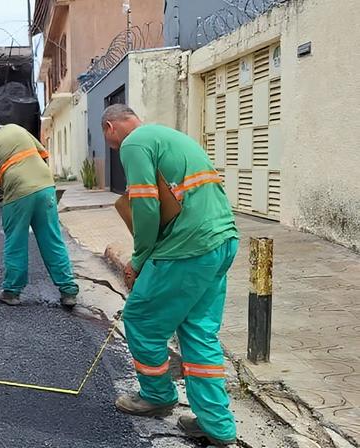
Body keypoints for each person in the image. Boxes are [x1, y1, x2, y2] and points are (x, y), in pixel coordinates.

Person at [101, 104, 240, 447]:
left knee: (141, 319)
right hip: (222, 241)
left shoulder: (134, 143)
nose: (114, 148)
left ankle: (157, 395)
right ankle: (217, 426)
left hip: (187, 248)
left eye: (109, 141)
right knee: (198, 331)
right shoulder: (169, 136)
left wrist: (139, 259)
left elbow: (146, 207)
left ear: (110, 127)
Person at [0, 115, 79, 307]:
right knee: (52, 239)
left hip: (19, 192)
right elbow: (44, 154)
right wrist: (32, 181)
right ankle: (68, 290)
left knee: (16, 241)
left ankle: (12, 292)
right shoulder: (16, 128)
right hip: (46, 187)